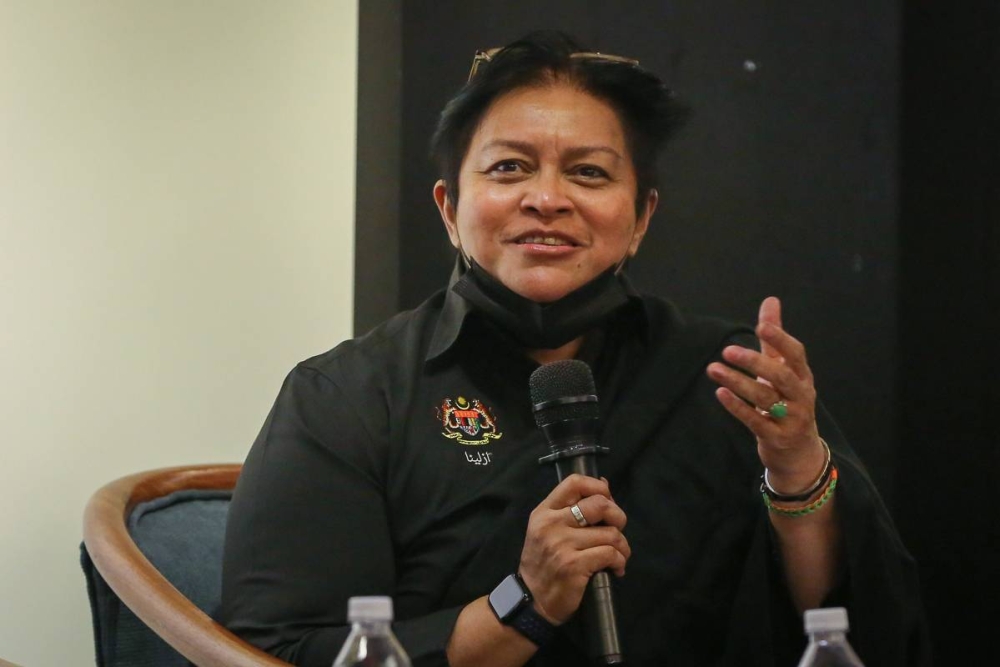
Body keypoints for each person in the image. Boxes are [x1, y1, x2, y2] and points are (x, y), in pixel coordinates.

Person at [219, 31, 931, 667]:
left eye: (589, 172)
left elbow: (851, 630)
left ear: (641, 215)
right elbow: (280, 647)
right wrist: (521, 604)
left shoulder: (727, 377)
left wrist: (799, 469)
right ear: (449, 209)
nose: (547, 198)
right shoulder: (347, 395)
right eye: (508, 169)